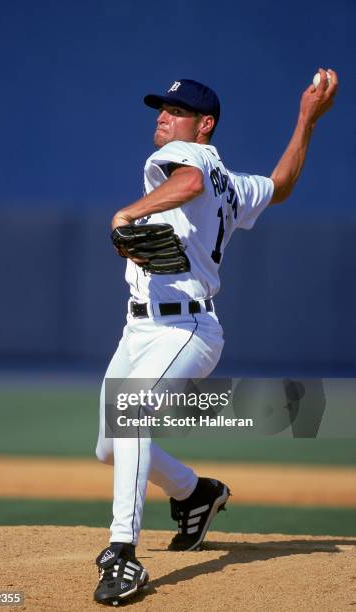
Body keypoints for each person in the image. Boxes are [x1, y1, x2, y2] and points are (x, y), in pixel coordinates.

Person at [94, 70, 338, 605]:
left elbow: (189, 184)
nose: (162, 116)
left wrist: (126, 212)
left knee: (130, 412)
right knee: (110, 446)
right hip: (142, 326)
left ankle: (123, 554)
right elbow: (281, 186)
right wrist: (306, 120)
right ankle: (196, 493)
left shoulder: (197, 159)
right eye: (159, 107)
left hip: (184, 327)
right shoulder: (233, 182)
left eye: (175, 111)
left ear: (204, 125)